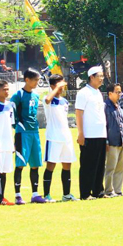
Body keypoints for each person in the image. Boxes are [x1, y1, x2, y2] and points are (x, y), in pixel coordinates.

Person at [11, 68, 45, 205]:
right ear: (27, 80)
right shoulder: (18, 95)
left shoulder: (36, 96)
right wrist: (17, 127)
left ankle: (35, 194)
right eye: (35, 80)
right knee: (20, 164)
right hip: (22, 132)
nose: (37, 82)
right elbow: (12, 113)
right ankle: (18, 195)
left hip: (34, 132)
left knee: (35, 164)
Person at [42, 74, 79, 202]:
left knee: (67, 165)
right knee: (51, 165)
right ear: (52, 85)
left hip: (66, 137)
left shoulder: (64, 101)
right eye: (59, 84)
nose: (62, 87)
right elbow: (47, 100)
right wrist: (56, 89)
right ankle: (46, 194)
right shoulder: (48, 99)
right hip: (53, 137)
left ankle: (66, 194)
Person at [75, 65, 107, 200]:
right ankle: (85, 193)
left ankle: (98, 191)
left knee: (100, 165)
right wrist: (81, 133)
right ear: (92, 77)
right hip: (89, 134)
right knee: (88, 165)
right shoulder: (83, 92)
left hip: (100, 134)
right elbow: (78, 113)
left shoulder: (98, 92)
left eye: (102, 76)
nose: (102, 79)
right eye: (99, 76)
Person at [104, 83, 123, 197]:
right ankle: (109, 190)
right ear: (110, 93)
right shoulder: (105, 107)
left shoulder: (119, 107)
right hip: (111, 141)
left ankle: (118, 190)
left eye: (120, 92)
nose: (120, 94)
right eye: (117, 92)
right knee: (110, 167)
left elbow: (122, 124)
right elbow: (105, 125)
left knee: (120, 167)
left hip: (121, 140)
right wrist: (106, 141)